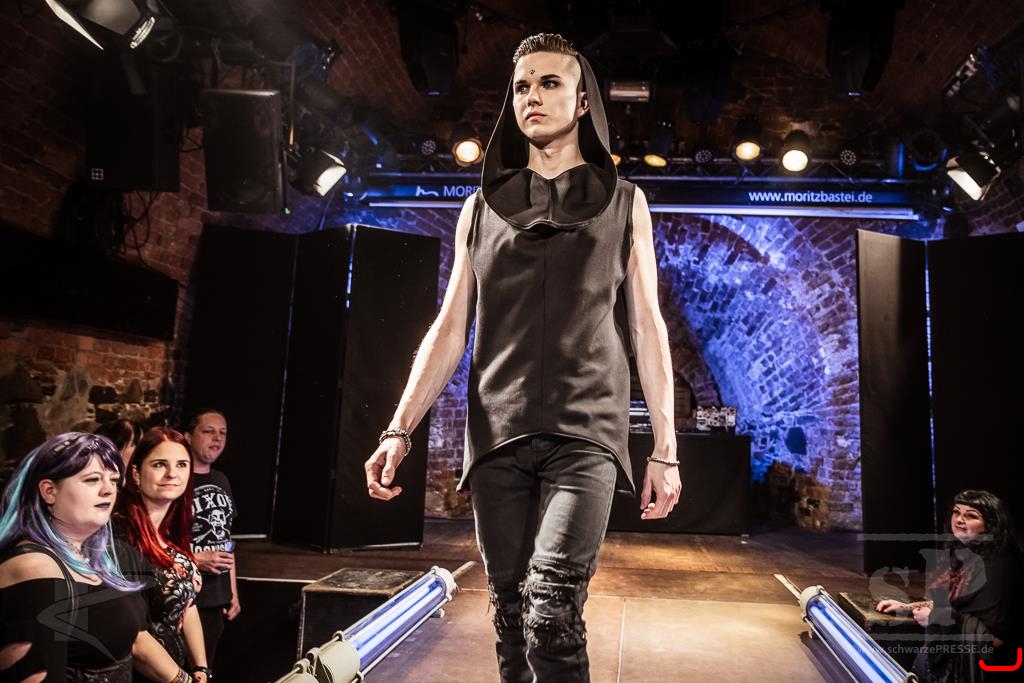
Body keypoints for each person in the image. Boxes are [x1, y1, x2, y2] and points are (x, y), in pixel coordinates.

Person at [364, 32, 681, 682]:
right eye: (521, 86)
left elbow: (647, 326)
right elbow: (450, 326)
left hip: (587, 430)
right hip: (498, 432)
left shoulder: (626, 203)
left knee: (552, 609)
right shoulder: (480, 208)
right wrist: (398, 427)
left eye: (549, 82)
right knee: (511, 614)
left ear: (584, 101)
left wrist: (666, 448)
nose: (531, 96)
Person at [0, 432, 188, 682]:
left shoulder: (107, 555)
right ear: (49, 491)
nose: (108, 490)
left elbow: (137, 638)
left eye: (113, 480)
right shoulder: (32, 567)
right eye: (92, 479)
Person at [876, 490, 1023, 681]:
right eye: (956, 512)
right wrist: (906, 607)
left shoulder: (998, 567)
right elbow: (952, 606)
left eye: (971, 516)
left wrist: (936, 619)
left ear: (990, 524)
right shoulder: (962, 554)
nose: (959, 520)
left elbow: (995, 640)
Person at [114, 428, 211, 682]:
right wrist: (183, 680)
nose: (172, 474)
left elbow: (187, 604)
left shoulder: (171, 532)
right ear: (136, 473)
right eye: (159, 464)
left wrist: (201, 668)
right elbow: (135, 637)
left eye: (181, 464)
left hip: (175, 671)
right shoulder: (119, 535)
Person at [184, 409, 239, 668]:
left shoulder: (221, 479)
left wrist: (232, 592)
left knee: (204, 671)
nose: (217, 438)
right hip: (186, 599)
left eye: (222, 433)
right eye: (208, 431)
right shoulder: (177, 481)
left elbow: (227, 539)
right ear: (188, 437)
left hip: (217, 599)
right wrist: (195, 558)